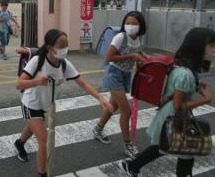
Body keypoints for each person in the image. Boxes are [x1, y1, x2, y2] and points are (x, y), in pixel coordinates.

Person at [15, 29, 114, 177]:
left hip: (46, 105)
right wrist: (36, 81)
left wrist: (100, 98)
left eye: (66, 45)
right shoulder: (37, 61)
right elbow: (19, 84)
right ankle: (42, 174)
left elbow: (82, 83)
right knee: (43, 139)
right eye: (61, 46)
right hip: (31, 103)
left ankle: (19, 143)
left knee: (34, 126)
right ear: (50, 47)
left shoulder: (64, 64)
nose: (65, 49)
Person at [119, 27, 214, 177]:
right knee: (183, 151)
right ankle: (131, 165)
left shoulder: (180, 65)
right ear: (199, 46)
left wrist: (195, 86)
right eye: (211, 46)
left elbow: (178, 89)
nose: (212, 50)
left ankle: (131, 165)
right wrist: (206, 100)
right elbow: (178, 105)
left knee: (167, 147)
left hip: (170, 113)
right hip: (174, 114)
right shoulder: (186, 73)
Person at [93, 10, 147, 159]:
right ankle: (128, 145)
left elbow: (139, 53)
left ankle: (98, 130)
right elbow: (109, 57)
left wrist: (144, 57)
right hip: (114, 73)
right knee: (127, 111)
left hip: (126, 74)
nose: (130, 26)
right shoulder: (120, 37)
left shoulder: (138, 39)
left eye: (134, 23)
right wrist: (132, 56)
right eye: (127, 22)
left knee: (114, 106)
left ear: (140, 25)